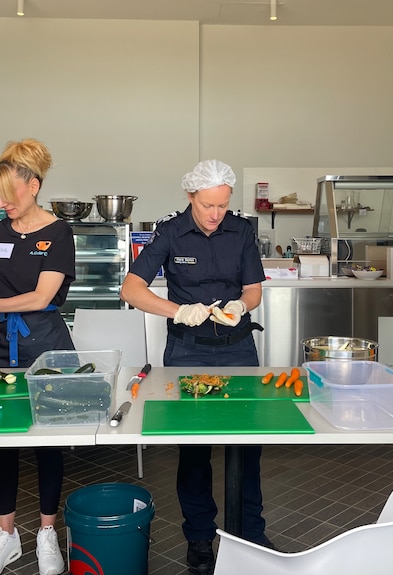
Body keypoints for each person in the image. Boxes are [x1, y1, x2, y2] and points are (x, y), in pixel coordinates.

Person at [120, 159, 268, 575]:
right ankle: (200, 537)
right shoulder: (170, 232)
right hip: (187, 352)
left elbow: (254, 289)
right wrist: (177, 311)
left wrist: (242, 304)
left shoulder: (241, 231)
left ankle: (250, 534)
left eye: (222, 205)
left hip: (238, 350)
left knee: (248, 444)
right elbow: (131, 288)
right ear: (191, 197)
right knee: (194, 447)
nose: (215, 214)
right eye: (207, 205)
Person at [0, 139, 75, 575]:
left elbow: (41, 296)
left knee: (47, 442)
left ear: (34, 186)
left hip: (45, 344)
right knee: (1, 441)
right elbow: (1, 292)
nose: (1, 202)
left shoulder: (58, 233)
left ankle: (47, 534)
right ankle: (5, 535)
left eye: (8, 193)